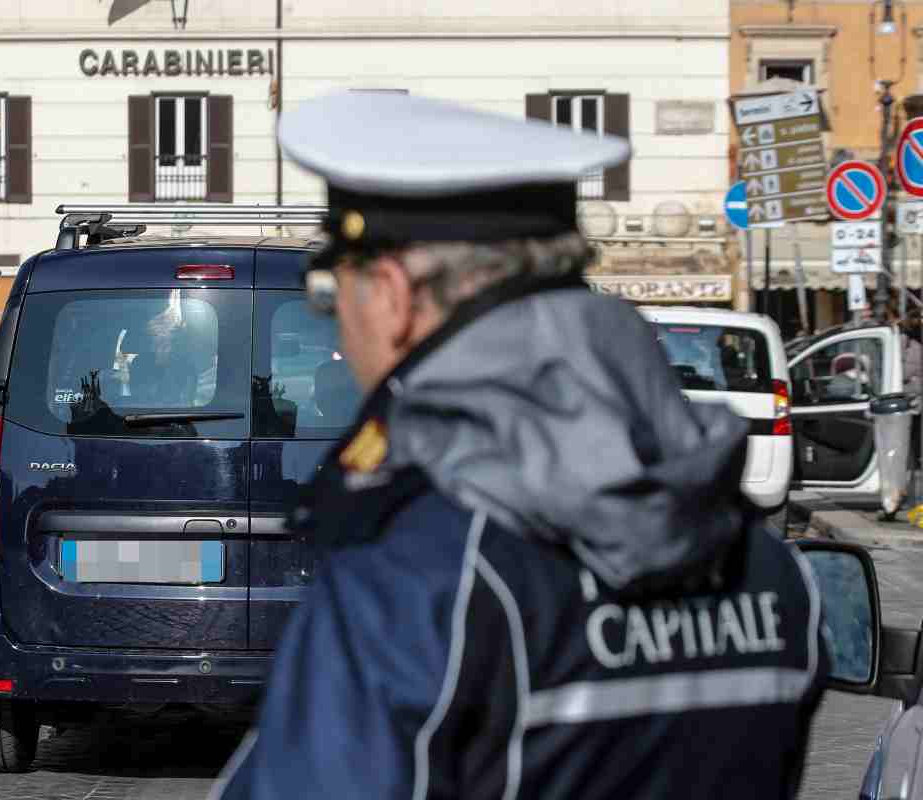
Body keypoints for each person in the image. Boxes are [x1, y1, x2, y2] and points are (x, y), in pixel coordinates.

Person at [210, 92, 827, 799]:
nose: (341, 331)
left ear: (392, 294)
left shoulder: (417, 575)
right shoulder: (768, 569)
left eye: (332, 295)